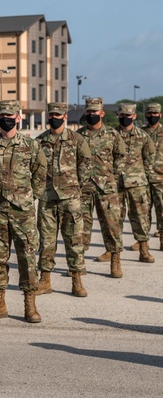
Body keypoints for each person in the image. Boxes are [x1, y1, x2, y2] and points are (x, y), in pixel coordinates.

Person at [0, 100, 46, 324]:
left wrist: (30, 197)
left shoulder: (30, 145)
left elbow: (40, 171)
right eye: (2, 115)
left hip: (22, 211)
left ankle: (30, 303)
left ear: (18, 118)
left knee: (27, 256)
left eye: (10, 115)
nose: (6, 119)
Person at [35, 102, 92, 297]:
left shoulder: (77, 140)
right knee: (46, 241)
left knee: (74, 239)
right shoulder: (39, 141)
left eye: (58, 115)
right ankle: (45, 279)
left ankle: (77, 279)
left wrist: (77, 186)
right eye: (51, 115)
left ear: (65, 116)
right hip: (47, 198)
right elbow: (34, 168)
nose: (54, 118)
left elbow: (86, 164)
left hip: (71, 198)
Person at [77, 97, 125, 278]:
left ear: (102, 113)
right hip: (84, 188)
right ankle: (78, 263)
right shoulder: (79, 135)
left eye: (95, 111)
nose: (91, 114)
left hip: (107, 188)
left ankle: (115, 262)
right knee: (80, 226)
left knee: (112, 225)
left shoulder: (112, 135)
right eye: (89, 111)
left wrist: (112, 176)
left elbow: (120, 157)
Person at [115, 103, 155, 262]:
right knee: (114, 220)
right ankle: (113, 253)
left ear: (135, 116)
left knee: (140, 218)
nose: (125, 118)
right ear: (118, 116)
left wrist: (142, 175)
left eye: (128, 116)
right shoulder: (112, 135)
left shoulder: (143, 136)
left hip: (137, 184)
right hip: (116, 185)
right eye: (122, 115)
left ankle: (144, 250)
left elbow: (150, 157)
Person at [144, 102, 163, 249]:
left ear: (160, 115)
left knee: (161, 209)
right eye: (150, 113)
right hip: (143, 178)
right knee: (143, 211)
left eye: (155, 113)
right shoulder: (141, 133)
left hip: (161, 178)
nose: (152, 116)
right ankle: (143, 242)